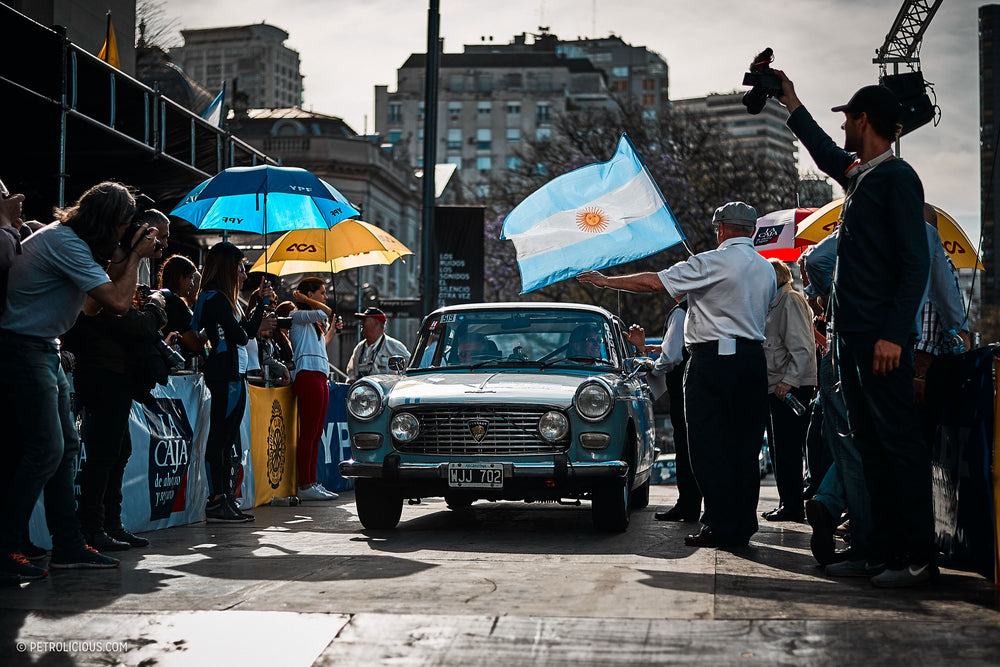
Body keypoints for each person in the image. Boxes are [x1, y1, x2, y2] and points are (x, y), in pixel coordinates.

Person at [778, 73, 935, 587]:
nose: (842, 127)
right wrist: (791, 102)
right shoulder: (861, 177)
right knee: (868, 447)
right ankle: (877, 551)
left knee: (897, 446)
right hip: (851, 340)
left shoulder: (898, 178)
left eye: (846, 118)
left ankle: (917, 558)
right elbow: (826, 153)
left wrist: (893, 333)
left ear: (863, 120)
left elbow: (915, 262)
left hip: (880, 341)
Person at [578, 201, 776, 549]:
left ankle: (718, 524)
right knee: (744, 448)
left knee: (707, 445)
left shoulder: (710, 261)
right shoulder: (767, 268)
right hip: (751, 360)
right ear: (752, 230)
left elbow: (655, 283)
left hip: (712, 361)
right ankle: (743, 523)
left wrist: (606, 281)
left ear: (721, 229)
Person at [0, 181, 160, 579]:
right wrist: (135, 257)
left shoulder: (70, 241)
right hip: (23, 346)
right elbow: (117, 303)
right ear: (108, 222)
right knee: (45, 450)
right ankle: (5, 547)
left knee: (65, 448)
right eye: (123, 224)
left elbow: (90, 305)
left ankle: (68, 544)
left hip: (43, 346)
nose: (125, 232)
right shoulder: (66, 243)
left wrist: (126, 256)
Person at [63, 282, 168, 552]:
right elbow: (139, 325)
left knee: (119, 452)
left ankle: (110, 525)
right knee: (105, 455)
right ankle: (93, 528)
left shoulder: (102, 290)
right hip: (104, 377)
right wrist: (155, 305)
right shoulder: (100, 290)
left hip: (110, 376)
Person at [191, 242, 274, 523]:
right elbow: (240, 336)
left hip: (234, 373)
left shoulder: (227, 300)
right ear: (227, 268)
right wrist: (251, 316)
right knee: (220, 439)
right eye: (240, 268)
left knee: (228, 440)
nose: (244, 274)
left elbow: (247, 331)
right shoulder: (214, 298)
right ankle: (217, 500)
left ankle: (225, 498)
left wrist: (261, 303)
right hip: (224, 374)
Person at [626, 298, 701, 523]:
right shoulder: (699, 306)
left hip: (684, 387)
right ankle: (691, 503)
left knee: (685, 446)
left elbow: (673, 357)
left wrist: (654, 366)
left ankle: (688, 504)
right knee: (691, 446)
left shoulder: (680, 312)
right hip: (696, 384)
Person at [760, 259, 817, 523]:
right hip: (779, 386)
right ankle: (788, 503)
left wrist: (789, 381)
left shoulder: (790, 300)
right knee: (781, 450)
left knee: (787, 450)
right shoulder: (776, 302)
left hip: (789, 387)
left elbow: (802, 347)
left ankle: (792, 505)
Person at [290, 277, 343, 501]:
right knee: (309, 433)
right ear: (309, 295)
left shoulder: (314, 322)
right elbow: (325, 311)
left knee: (316, 433)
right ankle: (305, 484)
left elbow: (321, 346)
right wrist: (303, 299)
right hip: (307, 374)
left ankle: (312, 482)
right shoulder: (297, 315)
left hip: (320, 375)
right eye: (322, 292)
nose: (325, 297)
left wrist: (332, 331)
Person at [157, 254, 207, 360]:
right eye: (190, 277)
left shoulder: (166, 300)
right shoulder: (175, 304)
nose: (192, 284)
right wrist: (212, 324)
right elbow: (194, 343)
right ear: (179, 277)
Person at [346, 307, 410, 381]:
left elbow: (411, 367)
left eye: (364, 320)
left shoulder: (394, 347)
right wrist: (351, 380)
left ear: (376, 322)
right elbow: (351, 374)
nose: (361, 323)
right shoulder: (359, 348)